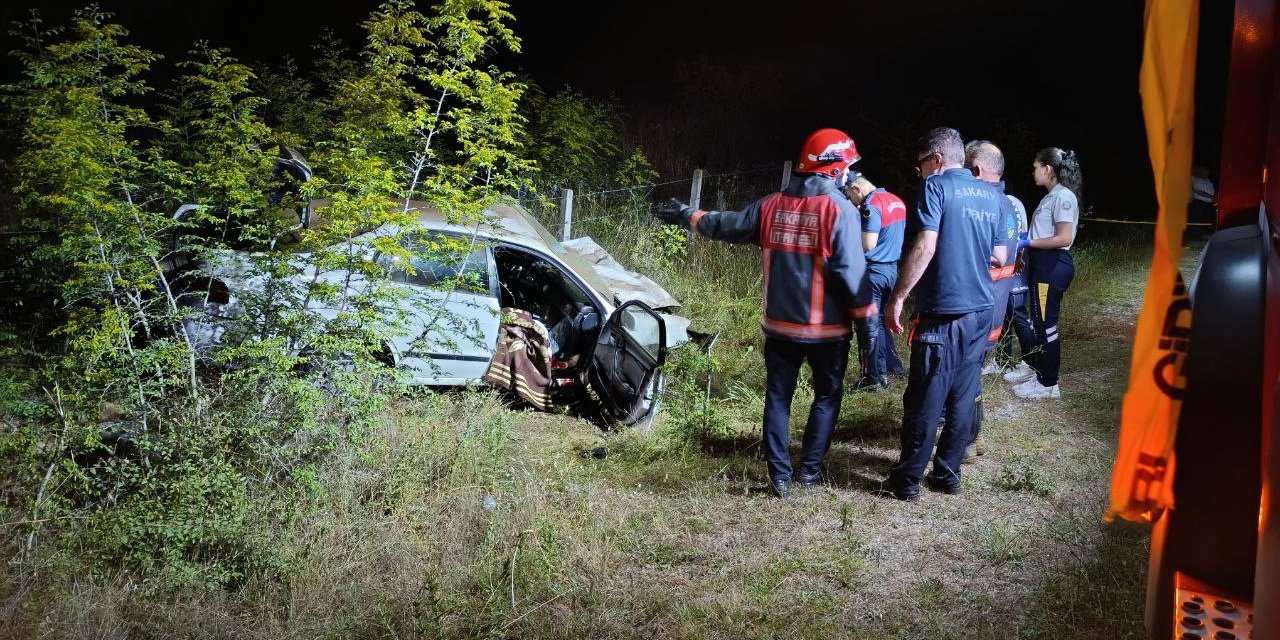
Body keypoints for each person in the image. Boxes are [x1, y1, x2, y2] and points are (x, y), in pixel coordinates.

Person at [654, 128, 873, 499]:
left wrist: (688, 215)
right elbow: (853, 277)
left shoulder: (771, 205)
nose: (850, 175)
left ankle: (780, 478)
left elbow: (726, 224)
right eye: (847, 167)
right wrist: (869, 332)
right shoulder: (841, 212)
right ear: (834, 169)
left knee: (778, 399)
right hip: (828, 333)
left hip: (779, 328)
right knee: (826, 397)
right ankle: (808, 472)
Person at [882, 127, 1006, 501]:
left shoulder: (935, 188)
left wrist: (899, 297)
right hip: (982, 310)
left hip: (945, 311)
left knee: (925, 395)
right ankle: (947, 475)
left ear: (935, 159)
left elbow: (925, 245)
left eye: (920, 164)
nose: (918, 172)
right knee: (963, 393)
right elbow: (1000, 255)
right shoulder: (993, 195)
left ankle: (906, 481)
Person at [963, 140, 1024, 461]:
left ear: (976, 170)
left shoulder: (985, 206)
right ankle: (975, 435)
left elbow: (987, 258)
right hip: (994, 306)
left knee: (965, 378)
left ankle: (968, 441)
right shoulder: (1007, 206)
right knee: (970, 375)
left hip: (977, 306)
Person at [1007, 147, 1083, 399]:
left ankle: (1048, 384)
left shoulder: (1063, 197)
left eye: (1035, 167)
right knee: (1039, 323)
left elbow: (1064, 237)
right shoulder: (1052, 196)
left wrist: (1028, 243)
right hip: (1043, 265)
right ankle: (1040, 373)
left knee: (1046, 325)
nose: (1033, 172)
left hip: (1052, 266)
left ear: (1047, 169)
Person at [844, 173, 907, 392]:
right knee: (882, 322)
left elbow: (868, 244)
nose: (851, 202)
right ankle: (893, 367)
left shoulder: (871, 205)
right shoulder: (895, 200)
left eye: (850, 196)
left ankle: (873, 377)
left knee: (869, 326)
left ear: (856, 189)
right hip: (892, 270)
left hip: (874, 272)